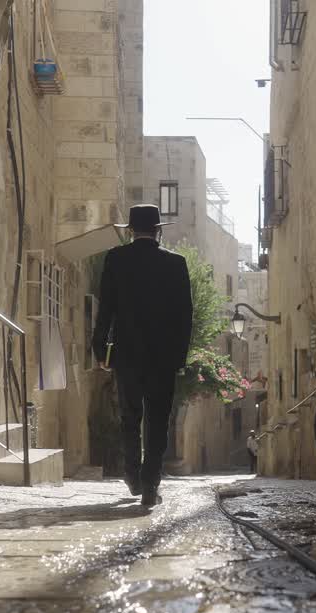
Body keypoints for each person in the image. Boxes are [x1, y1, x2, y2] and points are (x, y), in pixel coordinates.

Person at [92, 204, 193, 507]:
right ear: (159, 230)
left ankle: (132, 475)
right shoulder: (176, 263)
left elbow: (105, 309)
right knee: (158, 421)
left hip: (127, 354)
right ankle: (150, 484)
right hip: (163, 357)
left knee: (129, 417)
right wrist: (179, 357)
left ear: (131, 231)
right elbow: (184, 315)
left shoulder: (116, 259)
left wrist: (100, 350)